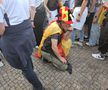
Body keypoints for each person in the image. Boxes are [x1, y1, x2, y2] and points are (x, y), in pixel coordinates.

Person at [0, 0, 44, 90]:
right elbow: (32, 7)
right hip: (26, 30)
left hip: (15, 38)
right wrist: (31, 21)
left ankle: (38, 87)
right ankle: (31, 70)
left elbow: (1, 30)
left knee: (25, 67)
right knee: (26, 57)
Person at [37, 6, 73, 74]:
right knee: (64, 67)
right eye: (67, 23)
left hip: (51, 47)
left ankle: (47, 58)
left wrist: (69, 31)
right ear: (61, 22)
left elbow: (66, 38)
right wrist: (60, 58)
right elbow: (54, 47)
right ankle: (45, 57)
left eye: (69, 23)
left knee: (68, 42)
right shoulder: (56, 29)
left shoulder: (60, 25)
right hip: (46, 50)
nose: (68, 25)